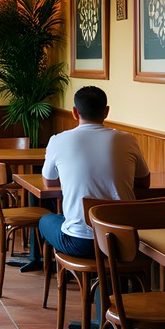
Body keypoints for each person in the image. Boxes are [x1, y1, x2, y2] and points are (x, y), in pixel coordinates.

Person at [37, 85, 150, 257]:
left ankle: (70, 275)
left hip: (81, 243)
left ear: (75, 112)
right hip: (124, 242)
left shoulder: (58, 140)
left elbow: (49, 182)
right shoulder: (128, 139)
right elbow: (144, 182)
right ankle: (101, 279)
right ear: (106, 111)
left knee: (46, 220)